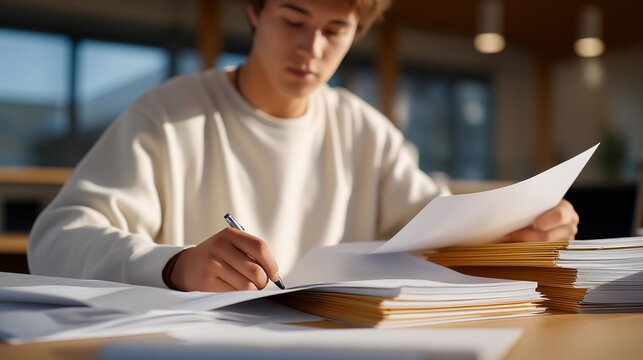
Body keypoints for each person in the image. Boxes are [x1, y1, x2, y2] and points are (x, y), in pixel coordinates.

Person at [28, 0, 579, 292]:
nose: (310, 47)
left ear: (355, 34)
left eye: (334, 30)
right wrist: (173, 266)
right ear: (254, 11)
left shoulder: (366, 132)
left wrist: (517, 230)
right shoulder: (169, 115)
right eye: (293, 19)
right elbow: (56, 239)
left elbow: (436, 227)